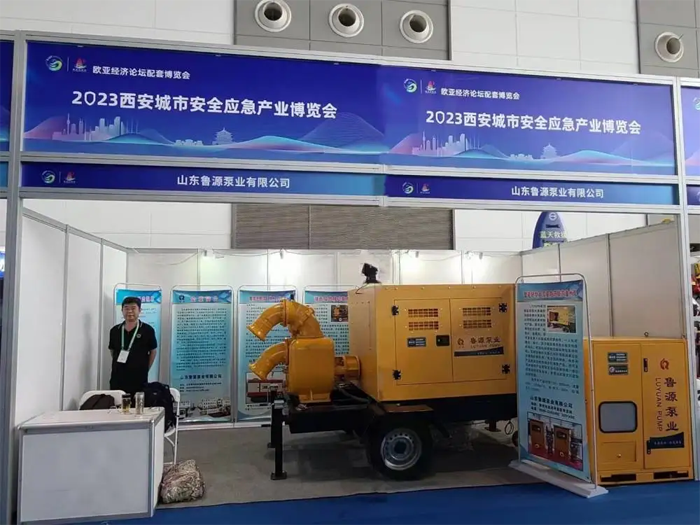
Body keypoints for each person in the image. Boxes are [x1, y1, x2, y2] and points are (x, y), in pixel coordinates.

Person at [109, 296, 158, 395]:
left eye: (133, 308)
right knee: (117, 402)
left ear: (139, 310)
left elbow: (153, 351)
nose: (129, 311)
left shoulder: (147, 330)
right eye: (126, 308)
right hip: (118, 377)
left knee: (138, 403)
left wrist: (145, 368)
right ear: (122, 310)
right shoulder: (115, 330)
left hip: (139, 378)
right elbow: (112, 350)